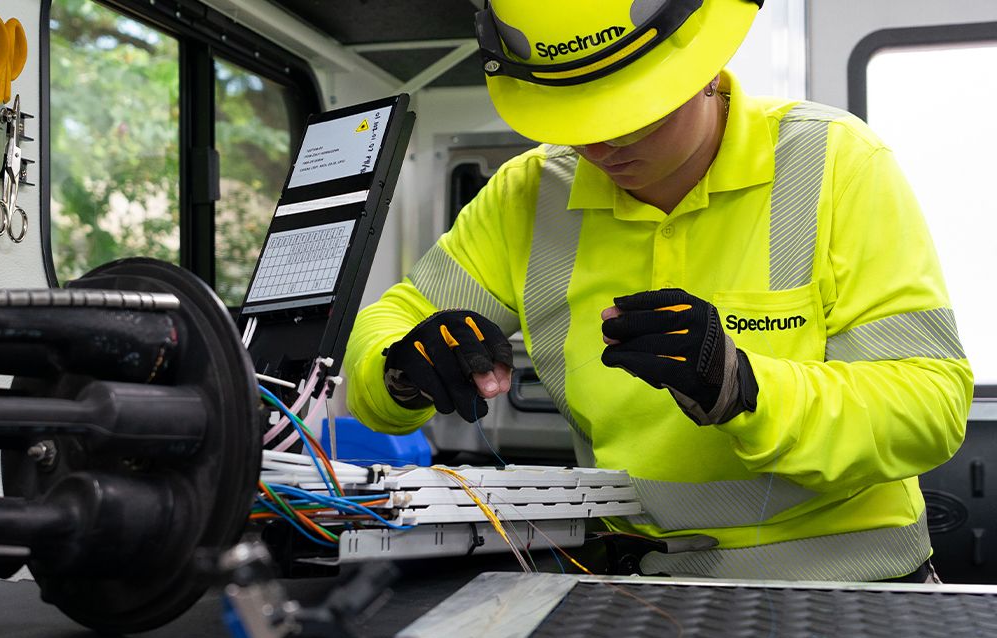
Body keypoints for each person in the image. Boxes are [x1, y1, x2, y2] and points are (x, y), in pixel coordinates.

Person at [345, 0, 973, 581]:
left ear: (706, 66)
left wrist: (745, 386)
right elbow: (390, 326)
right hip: (640, 584)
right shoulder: (528, 196)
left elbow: (928, 407)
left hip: (847, 582)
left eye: (627, 111)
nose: (600, 143)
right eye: (574, 117)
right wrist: (404, 369)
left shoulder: (837, 163)